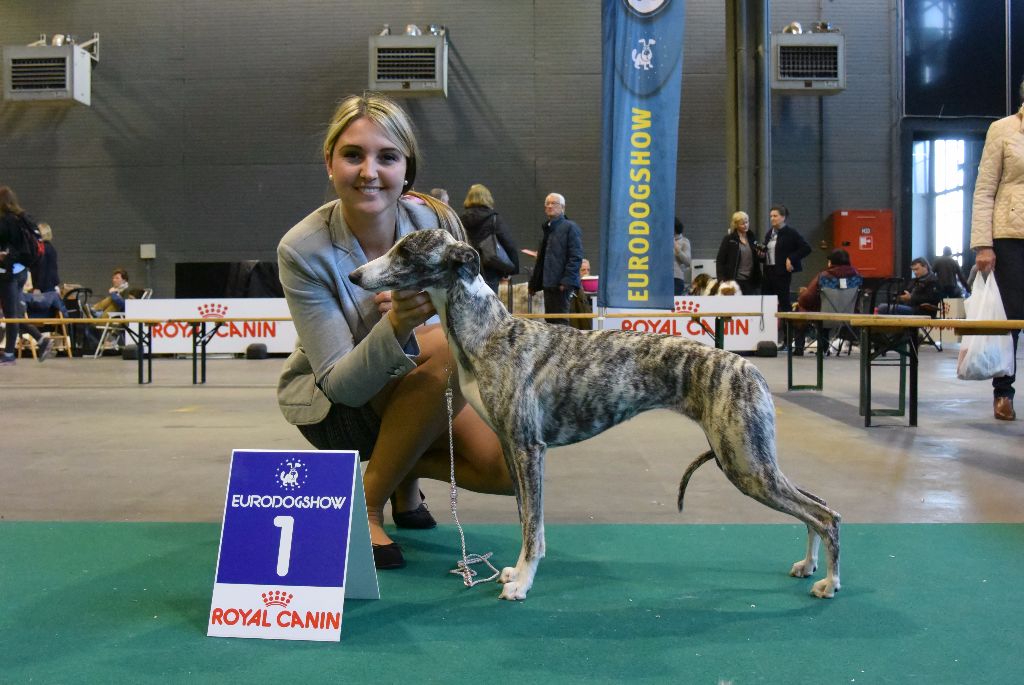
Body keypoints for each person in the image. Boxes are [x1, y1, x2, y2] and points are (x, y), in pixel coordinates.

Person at [276, 93, 513, 570]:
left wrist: (425, 320)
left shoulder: (438, 220)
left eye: (387, 157)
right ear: (329, 162)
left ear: (407, 169)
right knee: (447, 351)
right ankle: (366, 504)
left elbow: (480, 317)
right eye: (353, 155)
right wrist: (399, 322)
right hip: (336, 409)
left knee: (511, 469)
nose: (369, 171)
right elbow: (339, 385)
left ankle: (402, 469)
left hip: (424, 384)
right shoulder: (301, 249)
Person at [971, 86, 1024, 421]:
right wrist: (983, 243)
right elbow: (984, 189)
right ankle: (1003, 392)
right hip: (1010, 236)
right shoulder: (1002, 129)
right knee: (1011, 318)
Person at [793, 248, 863, 355]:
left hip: (824, 318)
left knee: (800, 308)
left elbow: (806, 299)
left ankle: (799, 348)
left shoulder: (824, 276)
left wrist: (802, 296)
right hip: (848, 318)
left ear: (831, 262)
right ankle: (824, 348)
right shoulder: (857, 277)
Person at [527, 192, 583, 326]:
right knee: (550, 321)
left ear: (563, 208)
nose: (550, 206)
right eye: (547, 203)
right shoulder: (548, 229)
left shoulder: (570, 227)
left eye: (554, 203)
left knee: (560, 321)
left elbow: (576, 256)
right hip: (549, 284)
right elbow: (541, 260)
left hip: (561, 285)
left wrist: (567, 281)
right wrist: (534, 284)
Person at [761, 204, 811, 341]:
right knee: (766, 305)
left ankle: (788, 339)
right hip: (768, 272)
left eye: (775, 216)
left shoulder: (791, 233)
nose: (772, 218)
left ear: (783, 217)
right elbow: (768, 252)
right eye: (771, 216)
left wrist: (791, 258)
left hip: (782, 273)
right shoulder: (769, 233)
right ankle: (767, 337)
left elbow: (806, 248)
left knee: (784, 306)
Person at [0, 186, 38, 366]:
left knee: (11, 315)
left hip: (8, 271)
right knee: (12, 312)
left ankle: (9, 354)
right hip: (22, 270)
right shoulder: (22, 218)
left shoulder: (5, 221)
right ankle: (41, 339)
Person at [459, 183, 520, 293]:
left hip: (467, 269)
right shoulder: (493, 219)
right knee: (489, 300)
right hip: (490, 270)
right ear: (487, 198)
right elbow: (509, 244)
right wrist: (511, 269)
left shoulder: (460, 220)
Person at [715, 210, 761, 295]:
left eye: (747, 222)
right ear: (736, 225)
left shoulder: (752, 238)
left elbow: (757, 258)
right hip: (734, 281)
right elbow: (720, 260)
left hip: (750, 281)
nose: (745, 225)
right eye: (742, 223)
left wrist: (761, 255)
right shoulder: (729, 239)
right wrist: (721, 279)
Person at [876, 257, 941, 315]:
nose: (915, 272)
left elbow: (932, 298)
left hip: (922, 310)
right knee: (883, 307)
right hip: (910, 306)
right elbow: (905, 291)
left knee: (883, 308)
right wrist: (899, 296)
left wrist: (911, 297)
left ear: (925, 267)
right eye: (913, 270)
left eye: (917, 269)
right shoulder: (914, 281)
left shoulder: (933, 281)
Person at [30, 222, 60, 294]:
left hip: (43, 286)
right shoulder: (51, 248)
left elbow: (42, 268)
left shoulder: (42, 249)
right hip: (50, 284)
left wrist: (37, 287)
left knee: (38, 300)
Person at [673, 218, 691, 296]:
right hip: (662, 278)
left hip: (676, 278)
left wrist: (678, 251)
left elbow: (687, 262)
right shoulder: (663, 240)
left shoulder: (684, 241)